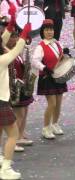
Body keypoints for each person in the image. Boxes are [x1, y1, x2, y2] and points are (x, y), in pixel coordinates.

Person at [0, 4, 31, 179]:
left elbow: (2, 40)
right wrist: (25, 32)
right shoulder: (3, 59)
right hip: (1, 101)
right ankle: (5, 168)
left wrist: (11, 25)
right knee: (13, 135)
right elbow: (17, 49)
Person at [31, 19, 67, 139]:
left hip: (59, 76)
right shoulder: (40, 46)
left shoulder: (57, 43)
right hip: (47, 77)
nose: (49, 32)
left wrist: (66, 55)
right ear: (43, 32)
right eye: (47, 30)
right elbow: (34, 61)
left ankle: (55, 124)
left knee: (59, 103)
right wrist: (44, 68)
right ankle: (46, 128)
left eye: (51, 29)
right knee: (52, 103)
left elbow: (61, 58)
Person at [6, 31, 34, 152]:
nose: (16, 39)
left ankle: (20, 135)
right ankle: (14, 139)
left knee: (25, 111)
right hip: (14, 86)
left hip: (22, 85)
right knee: (19, 114)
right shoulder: (7, 53)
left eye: (17, 36)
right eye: (13, 36)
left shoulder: (17, 52)